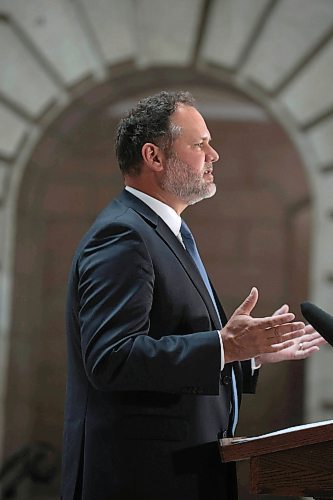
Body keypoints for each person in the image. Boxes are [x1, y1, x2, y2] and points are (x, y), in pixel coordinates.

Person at [61, 90, 324, 500]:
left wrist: (247, 352)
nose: (213, 155)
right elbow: (112, 359)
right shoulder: (124, 235)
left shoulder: (168, 233)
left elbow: (180, 350)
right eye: (200, 144)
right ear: (155, 156)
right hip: (141, 480)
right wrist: (224, 345)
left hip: (182, 473)